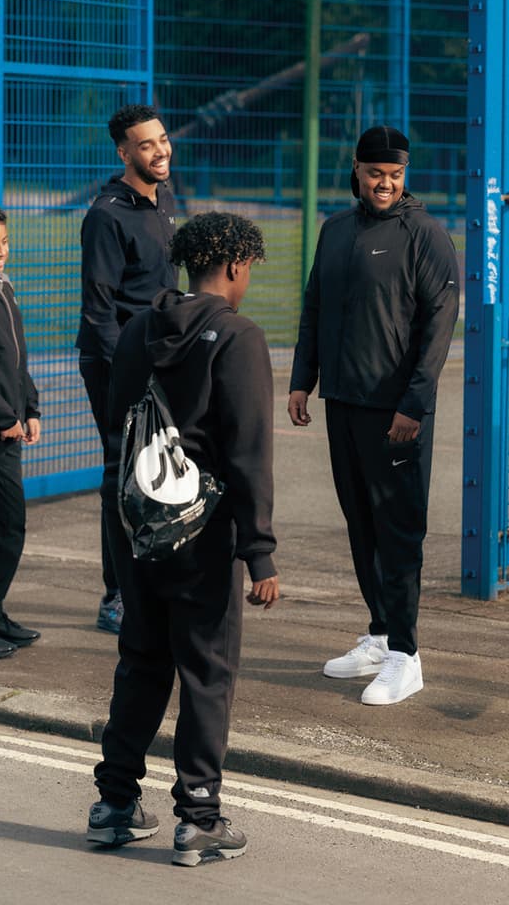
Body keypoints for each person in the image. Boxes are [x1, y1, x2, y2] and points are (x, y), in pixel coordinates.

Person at [86, 211, 278, 866]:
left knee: (141, 660)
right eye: (249, 269)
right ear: (233, 266)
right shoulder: (238, 338)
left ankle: (113, 806)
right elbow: (249, 453)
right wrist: (260, 552)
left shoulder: (139, 330)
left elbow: (118, 433)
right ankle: (198, 817)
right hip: (202, 535)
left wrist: (120, 535)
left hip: (137, 527)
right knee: (205, 672)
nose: (247, 280)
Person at [288, 125, 459, 706]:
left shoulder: (425, 236)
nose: (385, 184)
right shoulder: (335, 230)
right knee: (360, 522)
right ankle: (381, 635)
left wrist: (413, 404)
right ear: (356, 169)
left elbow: (439, 326)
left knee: (398, 528)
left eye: (395, 175)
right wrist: (301, 380)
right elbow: (314, 308)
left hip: (396, 412)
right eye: (375, 173)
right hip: (344, 402)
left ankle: (407, 656)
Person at [75, 104, 177, 634]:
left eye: (162, 140)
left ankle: (148, 582)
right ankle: (115, 597)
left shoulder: (164, 200)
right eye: (146, 145)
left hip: (159, 360)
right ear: (123, 152)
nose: (159, 151)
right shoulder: (107, 215)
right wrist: (131, 379)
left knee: (156, 472)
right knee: (122, 475)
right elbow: (99, 311)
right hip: (115, 365)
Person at [0, 202, 41, 660]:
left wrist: (31, 406)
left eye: (4, 242)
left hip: (10, 432)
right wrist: (3, 416)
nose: (1, 252)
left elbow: (15, 360)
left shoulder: (4, 287)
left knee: (11, 526)